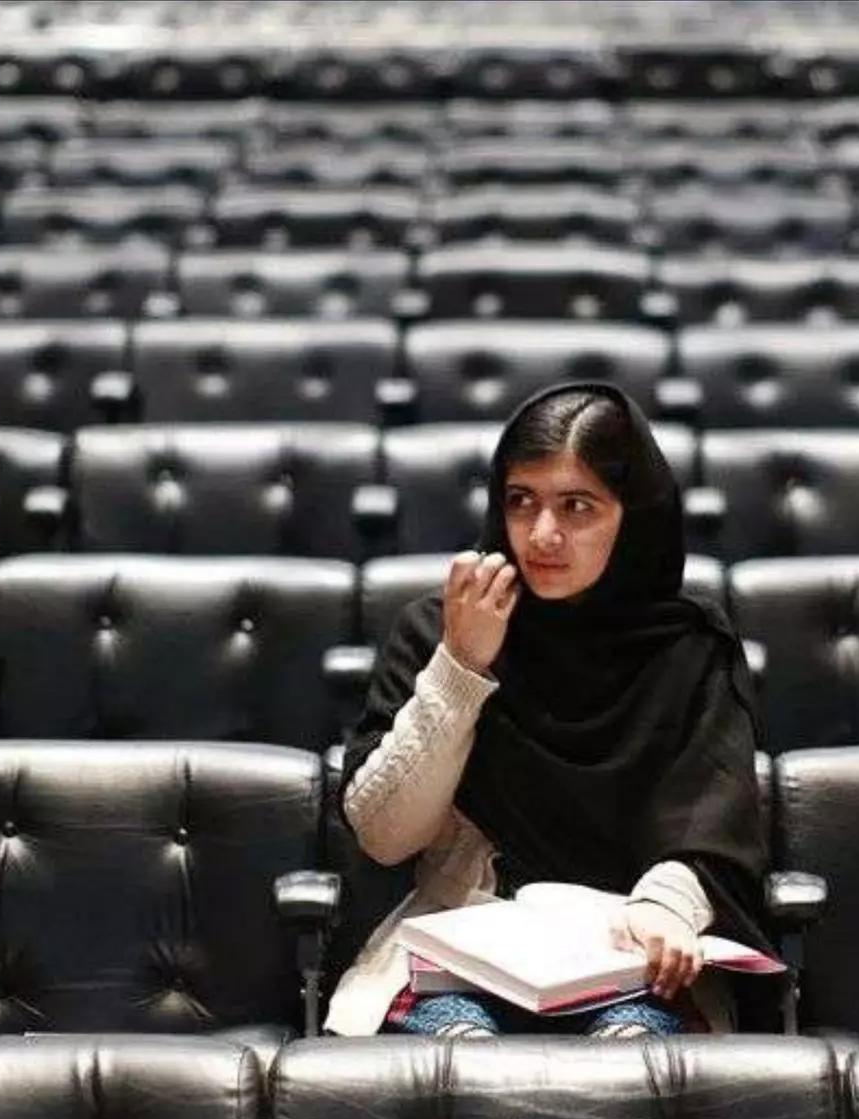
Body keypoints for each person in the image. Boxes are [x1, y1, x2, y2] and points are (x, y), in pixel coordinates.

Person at [322, 381, 773, 1040]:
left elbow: (713, 826)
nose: (543, 534)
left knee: (633, 1056)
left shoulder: (687, 648)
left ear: (633, 515)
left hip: (627, 947)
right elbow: (385, 834)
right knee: (453, 1057)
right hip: (462, 945)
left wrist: (665, 909)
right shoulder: (442, 628)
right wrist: (461, 668)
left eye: (578, 506)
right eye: (521, 501)